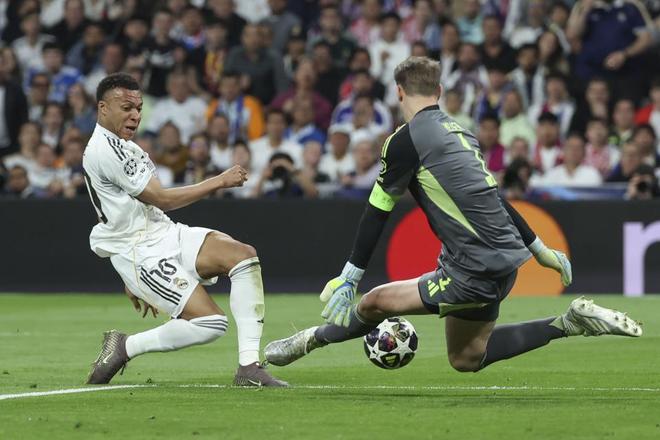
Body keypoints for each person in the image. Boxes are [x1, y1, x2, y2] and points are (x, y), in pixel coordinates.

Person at [264, 57, 640, 372]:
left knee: (373, 301)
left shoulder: (404, 140)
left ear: (399, 92)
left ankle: (306, 341)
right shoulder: (461, 133)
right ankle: (568, 322)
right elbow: (493, 196)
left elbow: (377, 210)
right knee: (467, 357)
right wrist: (539, 249)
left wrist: (351, 276)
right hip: (504, 263)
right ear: (440, 92)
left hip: (474, 268)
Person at [83, 73, 286, 387]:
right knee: (211, 323)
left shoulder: (123, 145)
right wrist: (219, 181)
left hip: (164, 232)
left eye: (138, 108)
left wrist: (132, 281)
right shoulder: (105, 150)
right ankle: (126, 347)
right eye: (126, 108)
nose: (135, 115)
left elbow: (121, 210)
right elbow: (162, 198)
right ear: (103, 108)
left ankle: (249, 368)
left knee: (243, 256)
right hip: (140, 252)